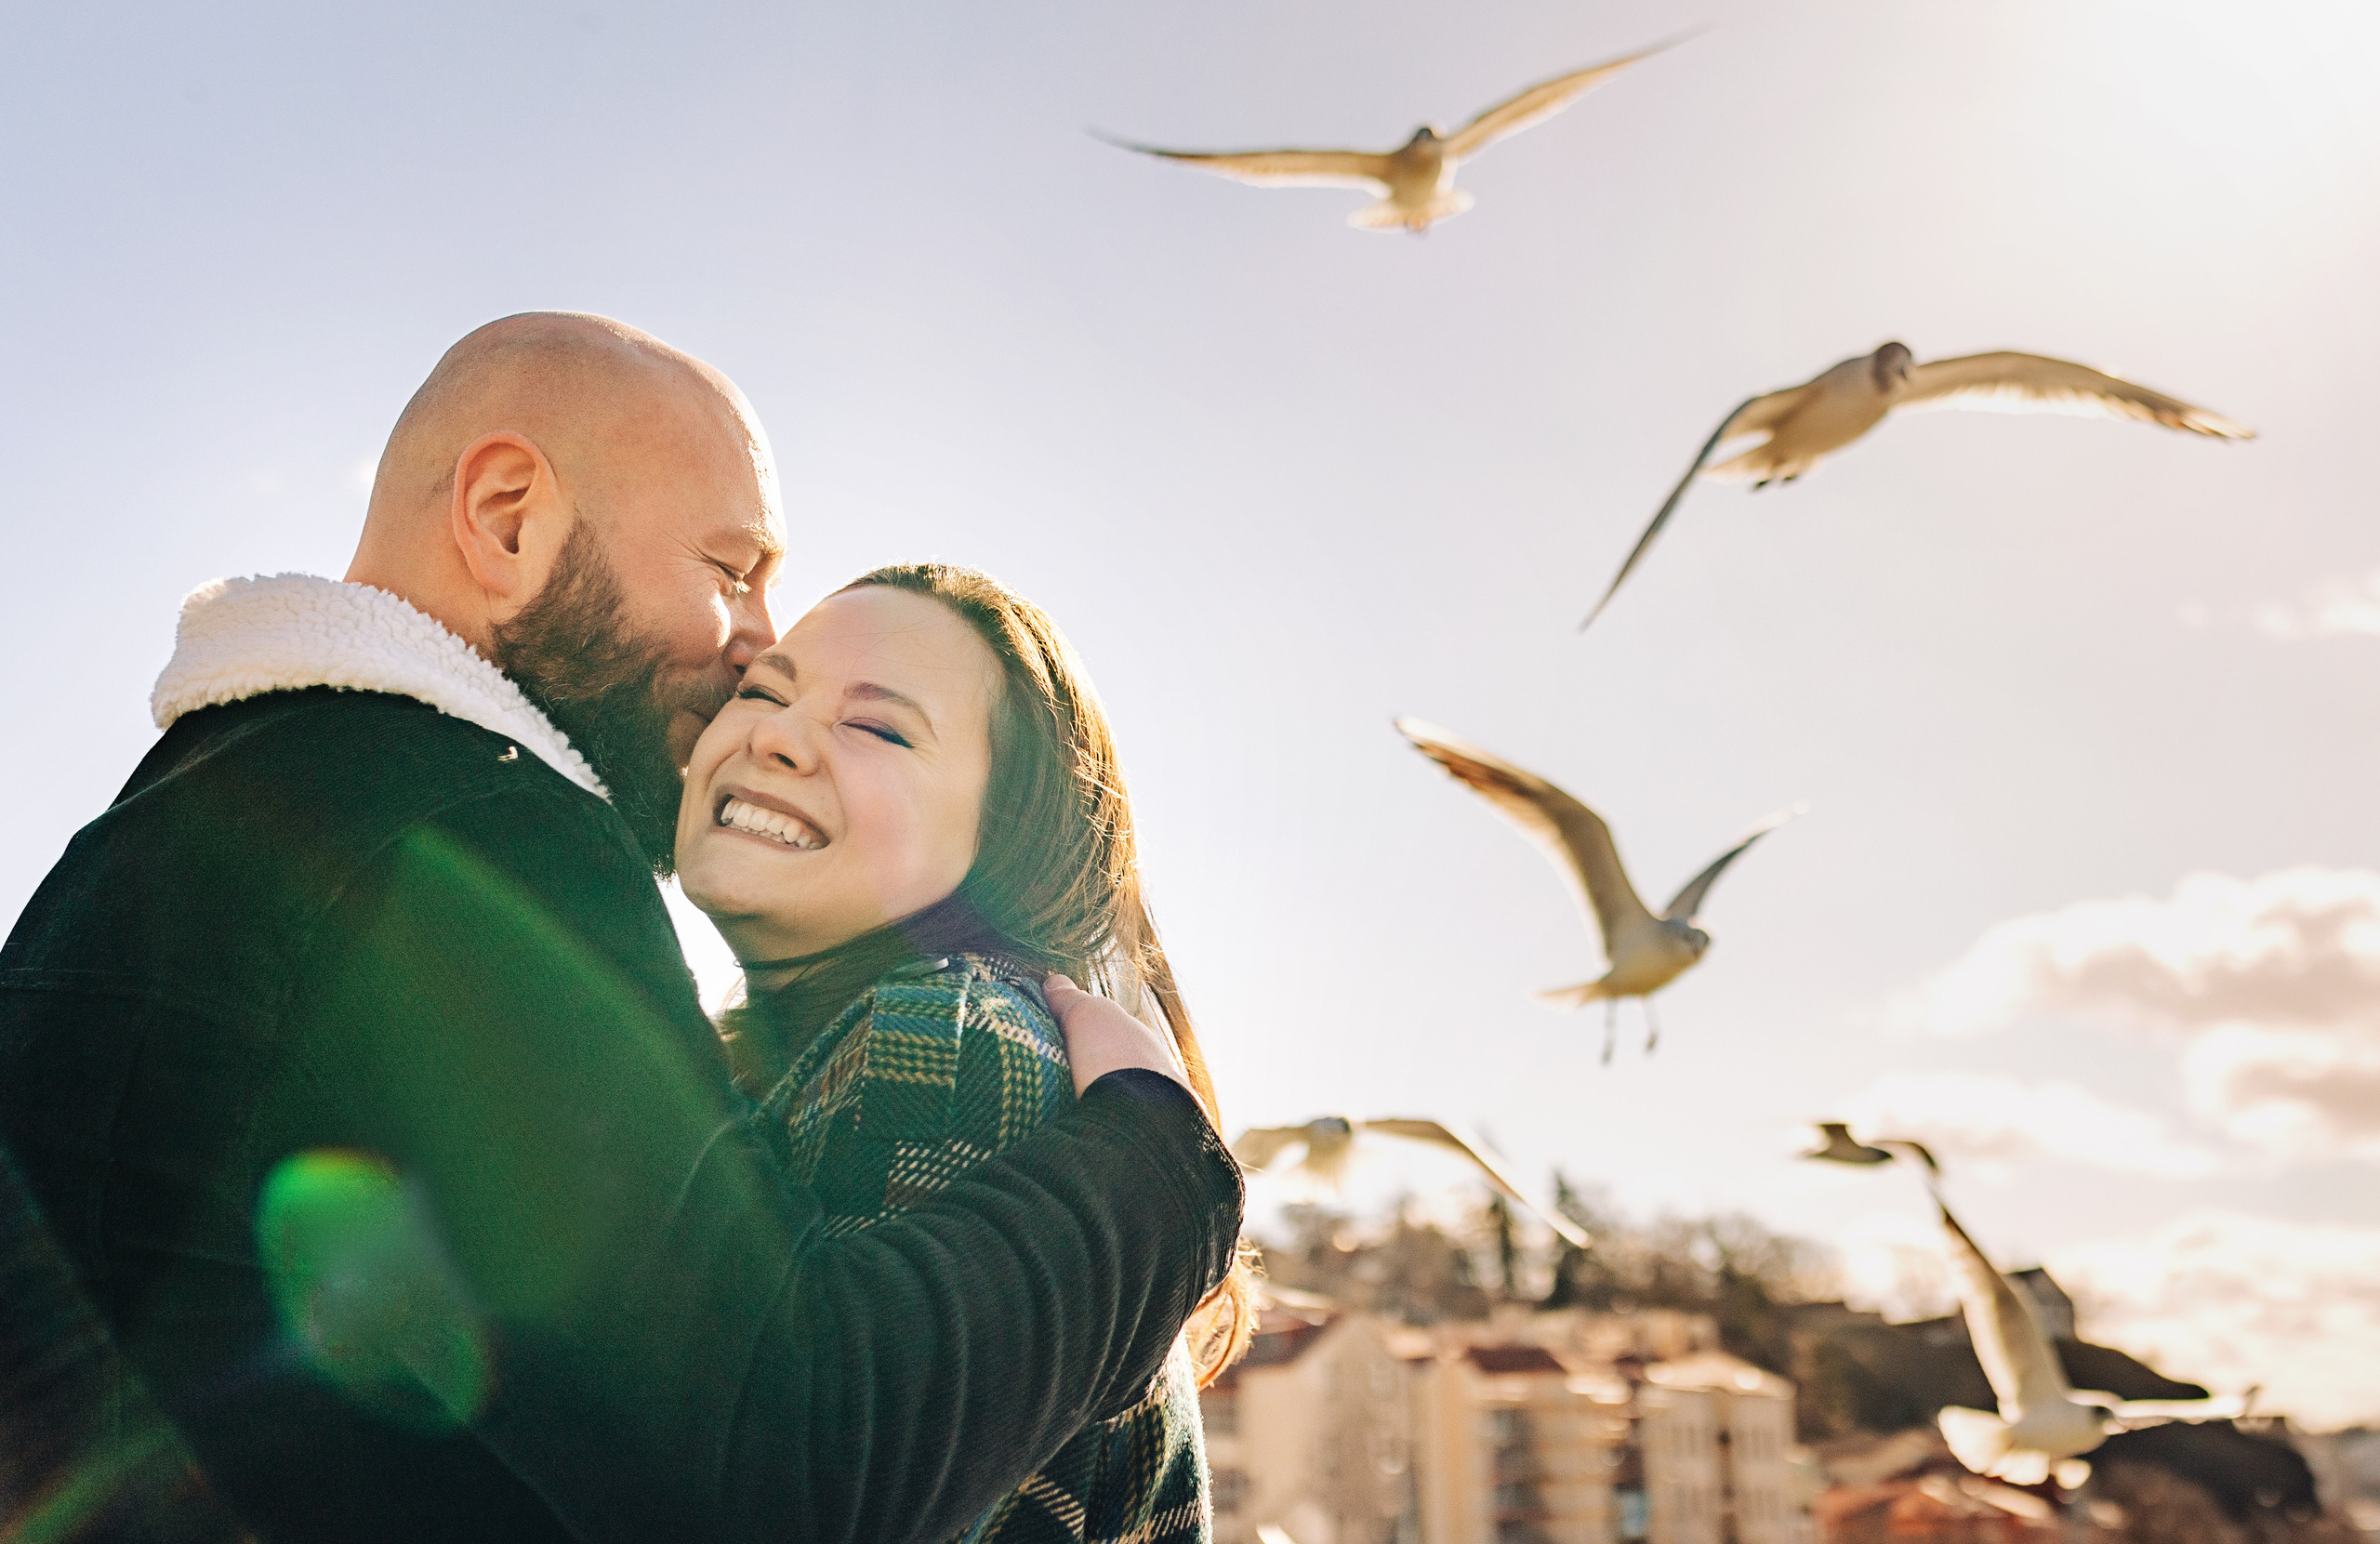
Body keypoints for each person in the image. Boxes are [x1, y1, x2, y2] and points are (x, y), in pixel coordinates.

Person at [0, 313, 1242, 1543]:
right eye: (729, 569)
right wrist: (1157, 1174)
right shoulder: (474, 824)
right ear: (507, 519)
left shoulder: (162, 835)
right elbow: (784, 1470)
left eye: (877, 722)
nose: (755, 644)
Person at [677, 563, 1255, 1544]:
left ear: (1003, 843)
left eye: (876, 726)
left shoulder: (952, 1043)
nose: (772, 732)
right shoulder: (791, 1055)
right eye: (762, 691)